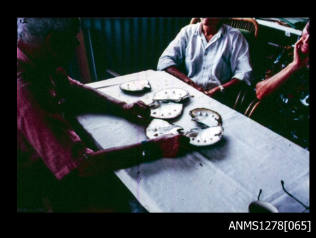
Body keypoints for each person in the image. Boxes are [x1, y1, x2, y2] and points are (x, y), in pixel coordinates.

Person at [17, 18, 189, 212]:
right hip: (36, 189)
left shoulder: (39, 60)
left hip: (51, 169)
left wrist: (122, 106)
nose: (76, 43)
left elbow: (72, 88)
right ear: (52, 41)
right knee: (133, 199)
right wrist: (157, 147)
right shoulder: (26, 88)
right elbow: (82, 165)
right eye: (73, 37)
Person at [157, 17, 253, 107]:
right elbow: (165, 60)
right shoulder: (187, 31)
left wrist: (219, 89)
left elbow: (244, 73)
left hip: (219, 98)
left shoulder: (235, 37)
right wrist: (189, 83)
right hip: (187, 93)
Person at [252, 21, 310, 149]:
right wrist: (293, 66)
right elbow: (260, 92)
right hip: (270, 130)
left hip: (301, 144)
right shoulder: (288, 53)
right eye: (308, 30)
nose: (308, 39)